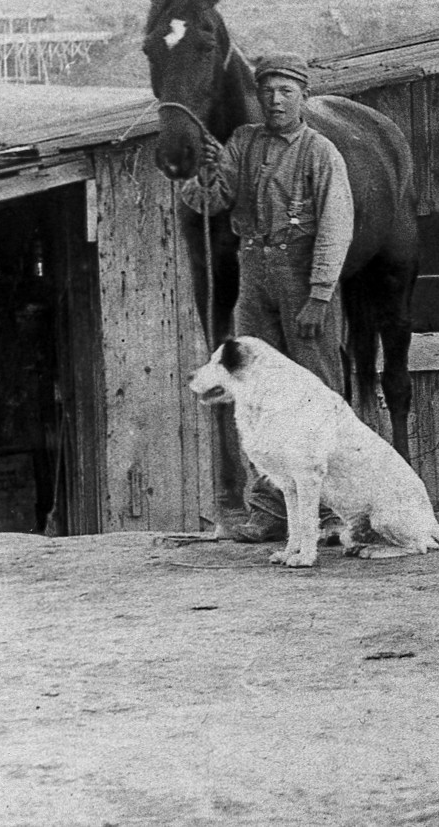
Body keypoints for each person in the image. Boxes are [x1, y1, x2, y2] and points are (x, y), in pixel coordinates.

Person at [173, 51, 352, 540]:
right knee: (254, 391)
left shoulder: (321, 152)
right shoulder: (242, 143)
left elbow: (336, 227)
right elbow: (209, 201)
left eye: (286, 92)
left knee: (317, 393)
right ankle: (271, 512)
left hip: (302, 278)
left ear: (303, 98)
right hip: (255, 276)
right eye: (268, 91)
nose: (275, 101)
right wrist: (205, 172)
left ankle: (336, 513)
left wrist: (318, 294)